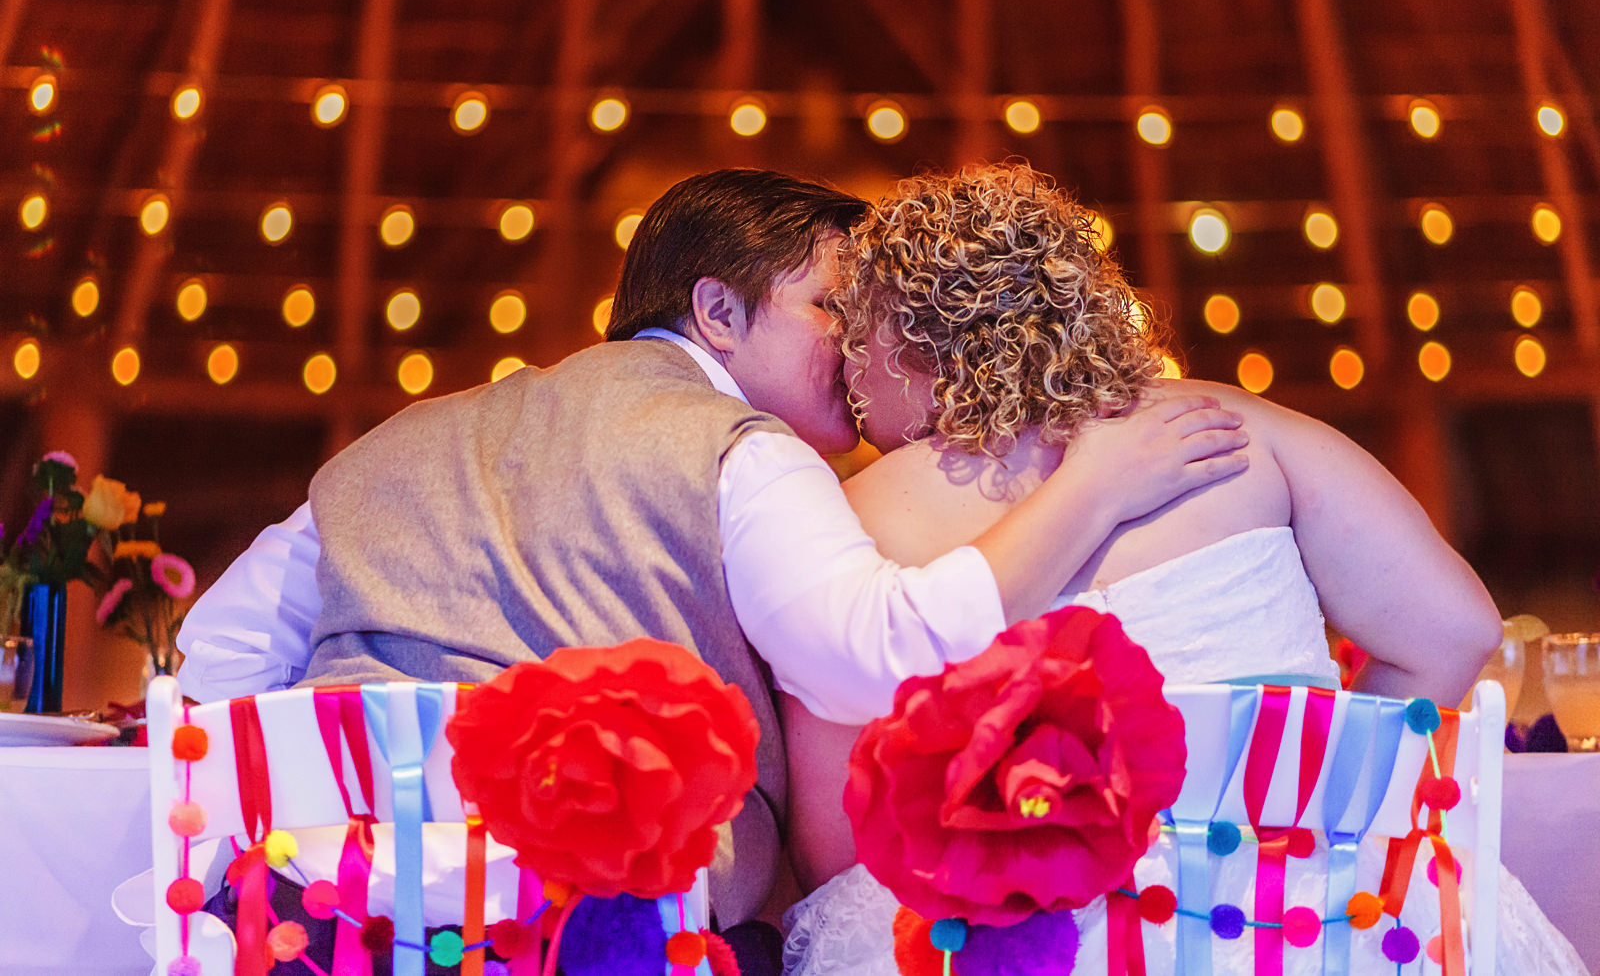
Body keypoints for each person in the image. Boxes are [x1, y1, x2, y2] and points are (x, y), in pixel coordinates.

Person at [175, 169, 1248, 946]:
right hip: (593, 935)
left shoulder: (401, 439)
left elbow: (219, 647)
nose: (868, 349)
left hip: (325, 923)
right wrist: (1092, 485)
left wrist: (250, 858)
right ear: (718, 310)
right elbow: (873, 653)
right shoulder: (739, 448)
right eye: (835, 307)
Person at [780, 162, 1584, 975]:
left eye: (855, 329)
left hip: (1021, 946)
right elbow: (1459, 628)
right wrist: (1321, 814)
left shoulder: (855, 515)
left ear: (906, 334)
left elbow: (836, 847)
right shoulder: (1232, 428)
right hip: (1319, 936)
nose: (846, 366)